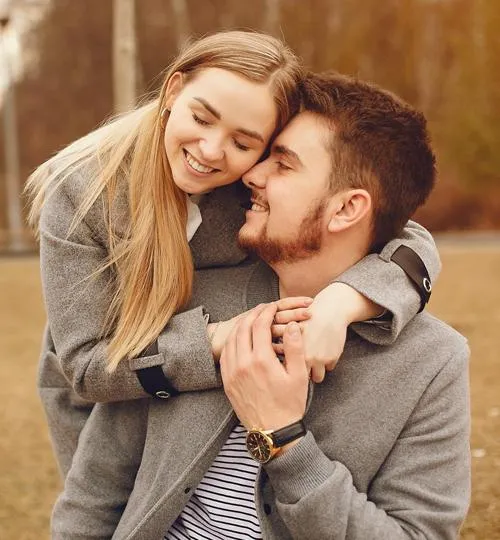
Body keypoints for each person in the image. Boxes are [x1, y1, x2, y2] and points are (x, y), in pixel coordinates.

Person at [51, 72, 470, 539]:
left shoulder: (431, 363)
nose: (251, 174)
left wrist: (283, 439)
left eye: (283, 164)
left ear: (346, 209)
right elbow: (94, 496)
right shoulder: (191, 297)